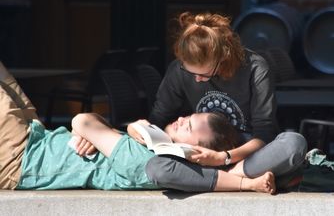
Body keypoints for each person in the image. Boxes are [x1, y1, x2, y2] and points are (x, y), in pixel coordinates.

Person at [0, 61, 275, 193]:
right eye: (188, 116)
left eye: (188, 128)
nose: (180, 119)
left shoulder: (144, 159)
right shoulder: (148, 145)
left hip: (22, 159)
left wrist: (93, 129)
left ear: (193, 152)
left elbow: (82, 119)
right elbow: (86, 124)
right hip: (37, 137)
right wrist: (102, 130)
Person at [142, 11, 308, 191]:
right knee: (155, 167)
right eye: (190, 72)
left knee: (294, 143)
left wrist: (223, 157)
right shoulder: (178, 71)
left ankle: (224, 179)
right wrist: (142, 131)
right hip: (196, 158)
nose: (196, 79)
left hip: (247, 157)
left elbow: (264, 134)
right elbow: (159, 117)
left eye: (203, 74)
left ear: (223, 57)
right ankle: (241, 181)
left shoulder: (255, 68)